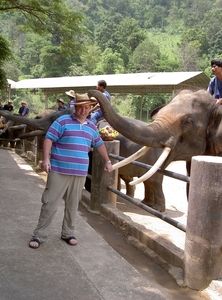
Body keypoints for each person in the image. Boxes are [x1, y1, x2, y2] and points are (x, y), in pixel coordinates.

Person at [29, 93, 113, 249]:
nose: (83, 110)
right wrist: (46, 159)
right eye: (80, 107)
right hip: (59, 170)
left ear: (89, 109)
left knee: (73, 205)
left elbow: (99, 144)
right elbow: (48, 139)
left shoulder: (91, 127)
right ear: (75, 107)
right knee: (50, 203)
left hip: (79, 173)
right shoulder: (62, 121)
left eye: (86, 107)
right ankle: (39, 235)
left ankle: (68, 233)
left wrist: (107, 161)